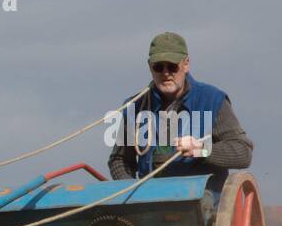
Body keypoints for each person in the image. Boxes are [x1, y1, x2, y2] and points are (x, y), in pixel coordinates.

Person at [108, 32, 253, 191]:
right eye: (158, 67)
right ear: (150, 67)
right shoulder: (134, 107)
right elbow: (119, 161)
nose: (165, 73)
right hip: (148, 202)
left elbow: (243, 153)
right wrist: (132, 193)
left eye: (172, 66)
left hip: (203, 202)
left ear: (186, 64)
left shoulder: (213, 100)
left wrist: (201, 149)